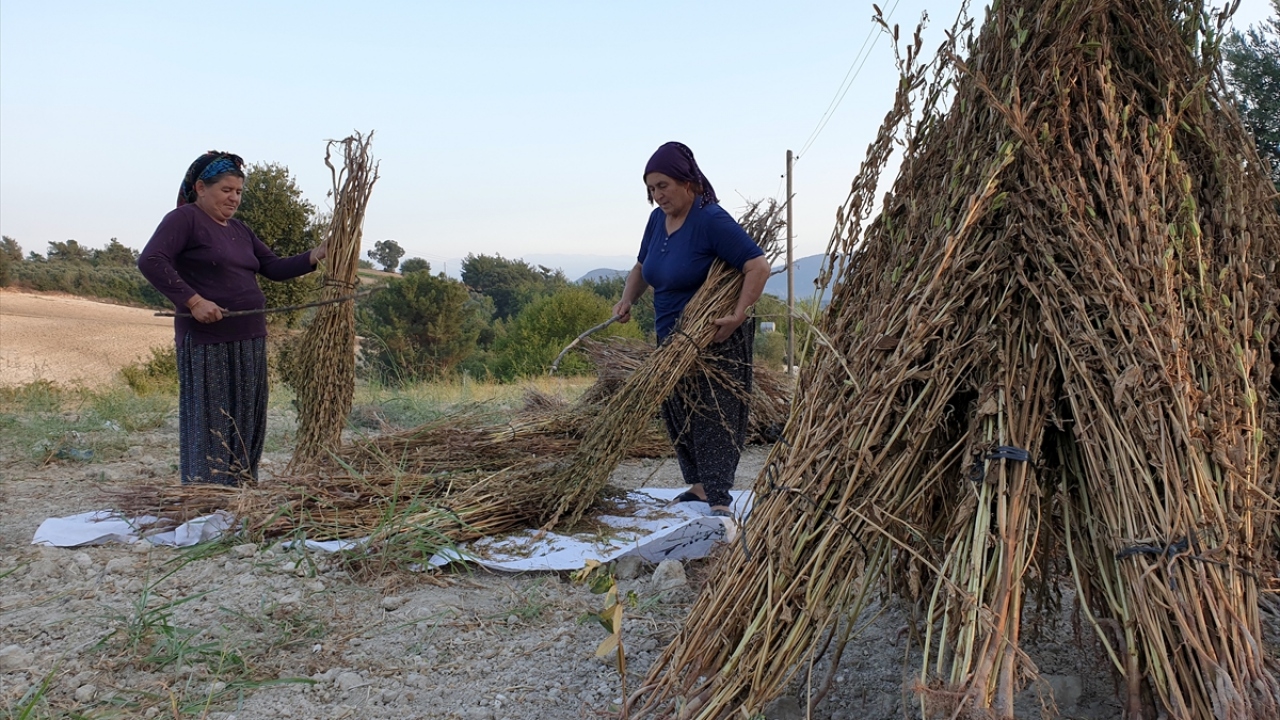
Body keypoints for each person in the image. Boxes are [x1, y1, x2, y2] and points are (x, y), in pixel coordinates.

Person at [138, 150, 327, 485]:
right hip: (209, 341)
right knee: (213, 418)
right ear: (200, 187)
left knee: (246, 418)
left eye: (238, 192)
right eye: (226, 190)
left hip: (250, 338)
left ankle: (240, 488)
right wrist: (194, 301)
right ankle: (206, 493)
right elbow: (151, 260)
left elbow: (274, 268)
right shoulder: (184, 220)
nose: (234, 198)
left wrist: (317, 254)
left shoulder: (240, 230)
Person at [612, 142, 770, 517]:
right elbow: (640, 268)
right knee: (679, 411)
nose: (657, 195)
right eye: (651, 189)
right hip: (670, 337)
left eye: (663, 185)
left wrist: (737, 314)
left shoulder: (710, 219)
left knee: (714, 415)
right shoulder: (656, 222)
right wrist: (626, 300)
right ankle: (698, 488)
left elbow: (757, 266)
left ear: (688, 182)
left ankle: (718, 500)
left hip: (713, 337)